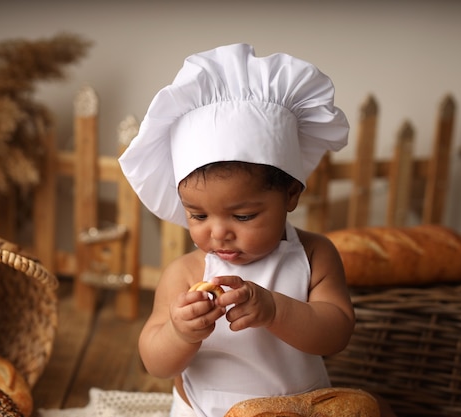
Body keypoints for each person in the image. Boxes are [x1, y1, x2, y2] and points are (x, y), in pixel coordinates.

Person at [119, 43, 354, 417]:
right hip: (204, 410)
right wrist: (179, 333)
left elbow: (337, 333)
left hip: (297, 408)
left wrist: (276, 310)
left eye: (242, 216)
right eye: (198, 216)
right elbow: (156, 364)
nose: (218, 234)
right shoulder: (185, 273)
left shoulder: (314, 255)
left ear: (290, 195)